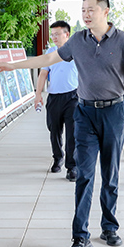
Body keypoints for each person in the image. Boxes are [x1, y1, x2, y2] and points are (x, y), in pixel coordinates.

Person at [0, 0, 124, 247]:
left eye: (91, 10)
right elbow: (48, 59)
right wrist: (14, 65)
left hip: (113, 112)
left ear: (105, 11)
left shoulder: (123, 41)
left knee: (110, 173)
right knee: (84, 174)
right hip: (84, 112)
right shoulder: (77, 40)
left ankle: (109, 227)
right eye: (83, 10)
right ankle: (80, 236)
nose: (86, 14)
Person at [34, 20, 78, 181]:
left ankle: (72, 167)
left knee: (72, 133)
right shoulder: (51, 52)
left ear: (67, 34)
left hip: (73, 97)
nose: (54, 37)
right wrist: (38, 95)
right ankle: (58, 157)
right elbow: (43, 74)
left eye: (57, 34)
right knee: (54, 130)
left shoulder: (76, 52)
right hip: (54, 97)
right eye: (52, 34)